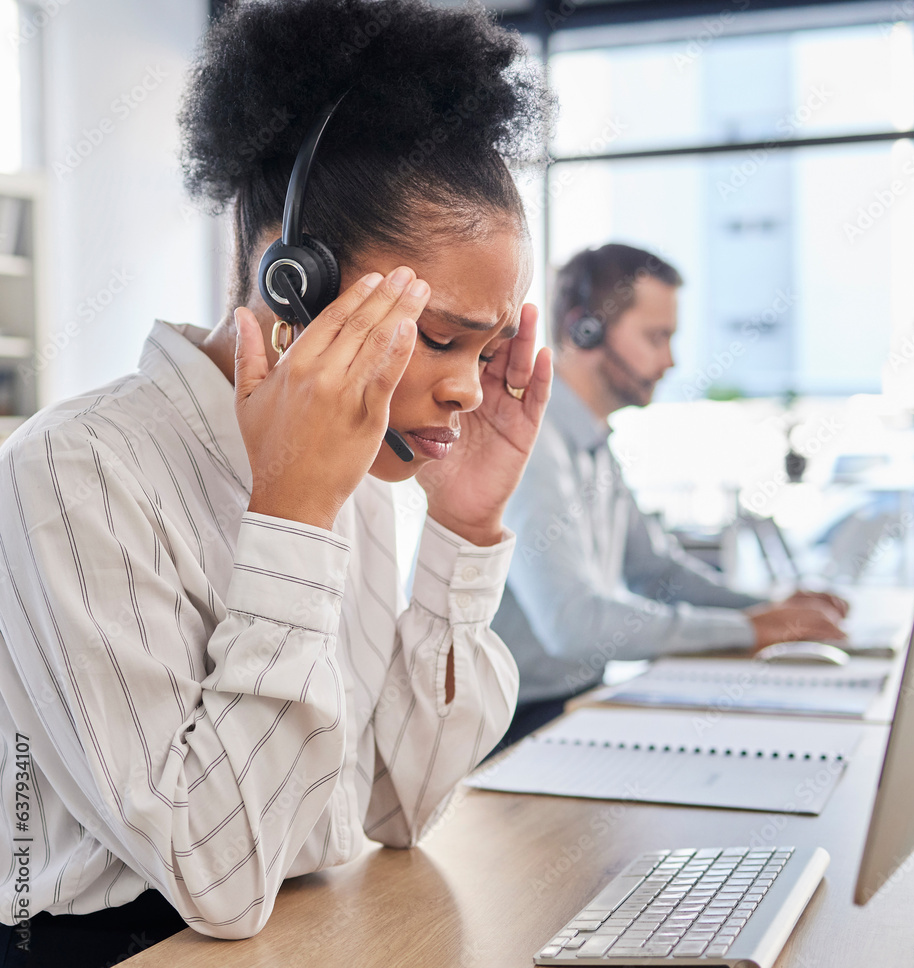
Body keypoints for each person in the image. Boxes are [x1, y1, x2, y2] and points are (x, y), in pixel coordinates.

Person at [0, 0, 554, 961]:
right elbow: (215, 879)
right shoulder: (74, 472)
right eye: (439, 337)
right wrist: (291, 519)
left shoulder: (362, 481)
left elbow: (396, 805)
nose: (468, 386)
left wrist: (464, 530)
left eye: (490, 347)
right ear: (288, 277)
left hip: (308, 933)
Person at [491, 244, 847, 743]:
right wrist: (752, 630)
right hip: (513, 727)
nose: (672, 360)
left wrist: (769, 607)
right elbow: (572, 625)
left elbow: (656, 572)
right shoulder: (532, 444)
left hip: (575, 703)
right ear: (584, 331)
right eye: (656, 338)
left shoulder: (592, 443)